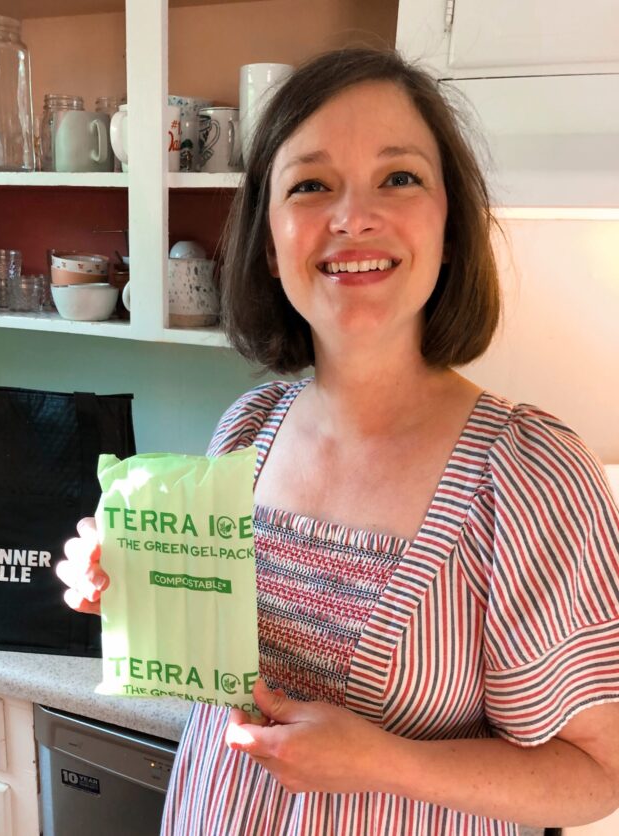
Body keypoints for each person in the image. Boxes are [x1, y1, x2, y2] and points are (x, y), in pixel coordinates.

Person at [56, 48, 619, 835]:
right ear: (268, 240)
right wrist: (135, 585)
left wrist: (387, 762)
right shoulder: (248, 429)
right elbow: (210, 671)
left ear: (450, 226)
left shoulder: (528, 477)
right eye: (311, 185)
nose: (353, 217)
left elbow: (597, 774)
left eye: (399, 178)